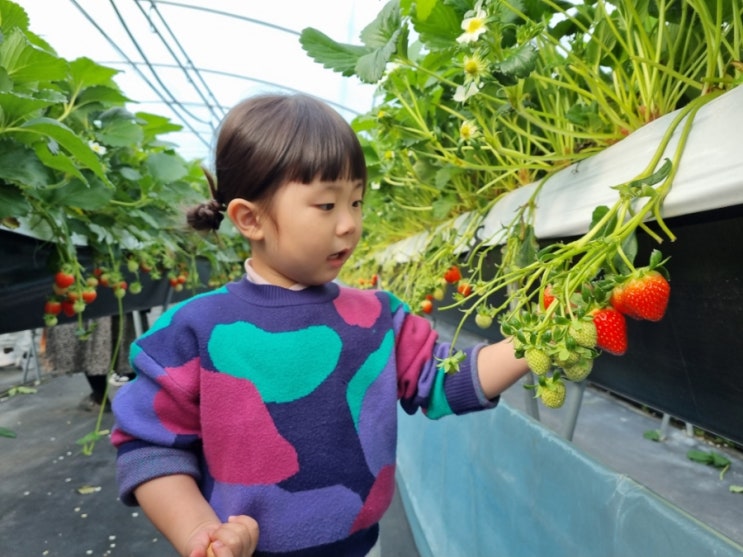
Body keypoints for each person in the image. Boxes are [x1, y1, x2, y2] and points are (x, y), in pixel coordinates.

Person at [111, 93, 530, 557]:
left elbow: (442, 379)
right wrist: (200, 533)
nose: (350, 224)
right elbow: (148, 445)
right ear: (250, 219)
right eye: (327, 206)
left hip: (358, 545)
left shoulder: (379, 316)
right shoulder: (191, 331)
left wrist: (533, 344)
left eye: (356, 201)